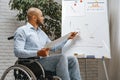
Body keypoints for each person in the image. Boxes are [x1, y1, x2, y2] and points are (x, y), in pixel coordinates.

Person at [14, 7, 82, 80]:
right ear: (34, 17)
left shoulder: (41, 33)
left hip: (43, 61)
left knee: (72, 59)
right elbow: (17, 52)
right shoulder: (22, 31)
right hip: (31, 63)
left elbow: (54, 47)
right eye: (41, 16)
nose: (43, 18)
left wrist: (67, 38)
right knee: (61, 57)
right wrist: (37, 53)